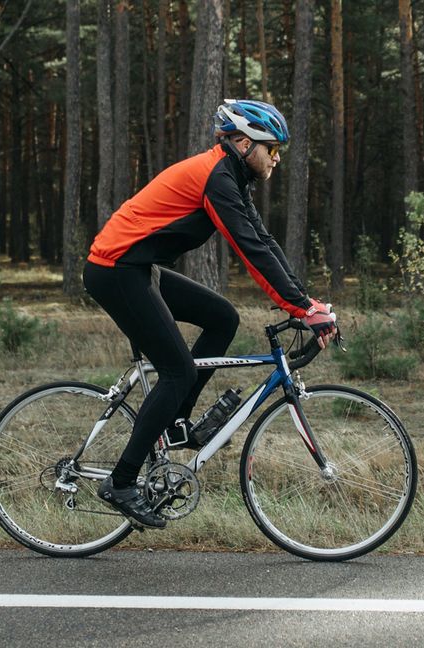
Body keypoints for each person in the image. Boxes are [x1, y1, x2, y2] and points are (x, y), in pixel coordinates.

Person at [83, 99, 338, 528]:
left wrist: (306, 303)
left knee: (223, 318)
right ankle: (121, 481)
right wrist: (300, 307)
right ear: (243, 143)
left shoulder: (230, 177)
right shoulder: (216, 178)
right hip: (115, 269)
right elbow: (248, 250)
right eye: (271, 148)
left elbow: (264, 240)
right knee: (177, 370)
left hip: (137, 267)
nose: (276, 158)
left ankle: (175, 421)